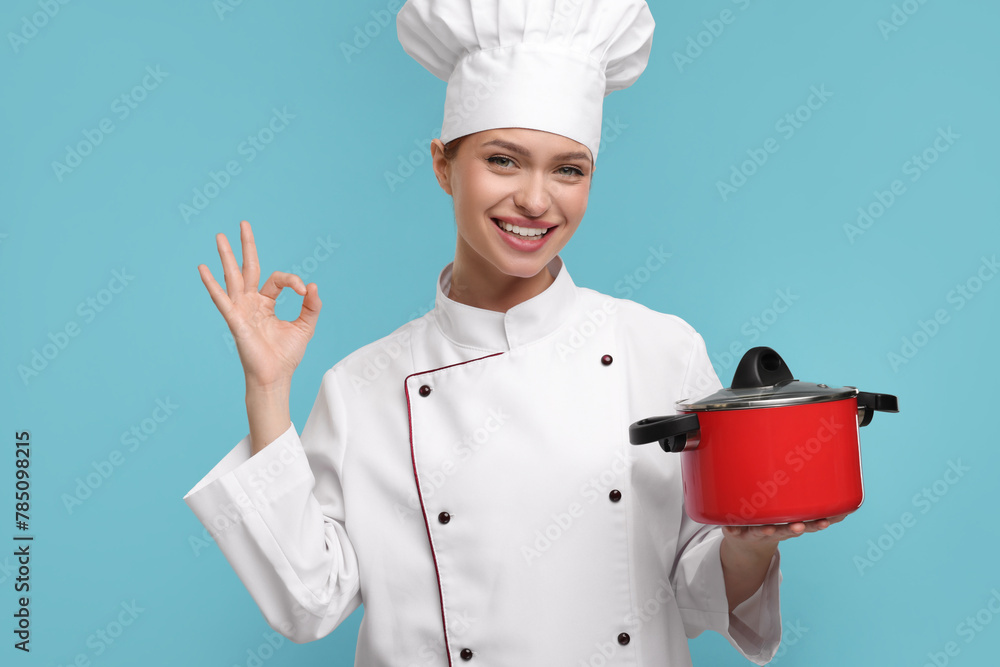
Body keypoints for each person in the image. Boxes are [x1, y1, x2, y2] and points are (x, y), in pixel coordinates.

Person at [183, 1, 842, 664]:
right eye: (504, 160)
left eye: (568, 169)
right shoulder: (364, 387)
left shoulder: (660, 350)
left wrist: (753, 540)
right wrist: (267, 391)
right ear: (443, 164)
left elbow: (697, 587)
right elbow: (311, 600)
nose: (535, 200)